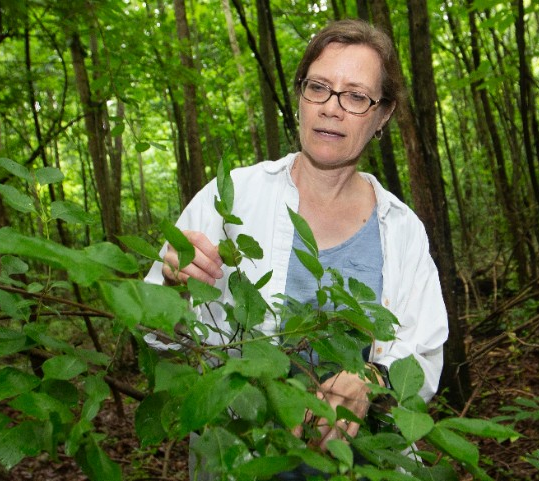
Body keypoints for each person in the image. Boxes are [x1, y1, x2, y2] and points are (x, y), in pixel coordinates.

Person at [144, 18, 448, 478]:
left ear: (383, 115)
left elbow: (424, 353)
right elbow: (153, 335)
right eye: (319, 87)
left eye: (356, 96)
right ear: (301, 96)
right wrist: (173, 285)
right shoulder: (232, 199)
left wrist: (374, 377)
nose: (332, 108)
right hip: (239, 463)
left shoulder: (402, 230)